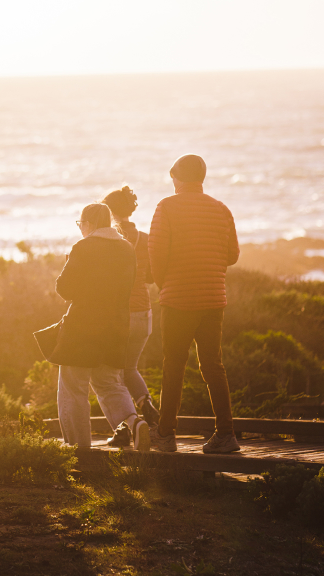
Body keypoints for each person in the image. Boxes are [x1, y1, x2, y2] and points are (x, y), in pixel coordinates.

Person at [148, 154, 240, 454]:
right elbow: (232, 255)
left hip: (177, 300)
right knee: (213, 366)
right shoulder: (221, 209)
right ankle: (226, 435)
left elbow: (157, 253)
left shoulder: (167, 207)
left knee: (174, 365)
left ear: (177, 177)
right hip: (214, 299)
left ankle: (166, 435)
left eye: (172, 177)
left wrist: (165, 284)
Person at [49, 203, 149, 450]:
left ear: (89, 223)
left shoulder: (83, 247)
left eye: (80, 224)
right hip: (116, 328)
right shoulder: (127, 248)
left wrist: (68, 264)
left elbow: (65, 289)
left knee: (73, 388)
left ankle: (77, 448)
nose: (80, 228)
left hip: (82, 328)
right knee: (109, 384)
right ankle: (135, 423)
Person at [101, 186, 161, 448]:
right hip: (144, 314)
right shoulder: (146, 239)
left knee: (109, 376)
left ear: (109, 212)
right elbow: (151, 277)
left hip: (120, 316)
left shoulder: (108, 240)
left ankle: (126, 428)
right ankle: (146, 405)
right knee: (129, 369)